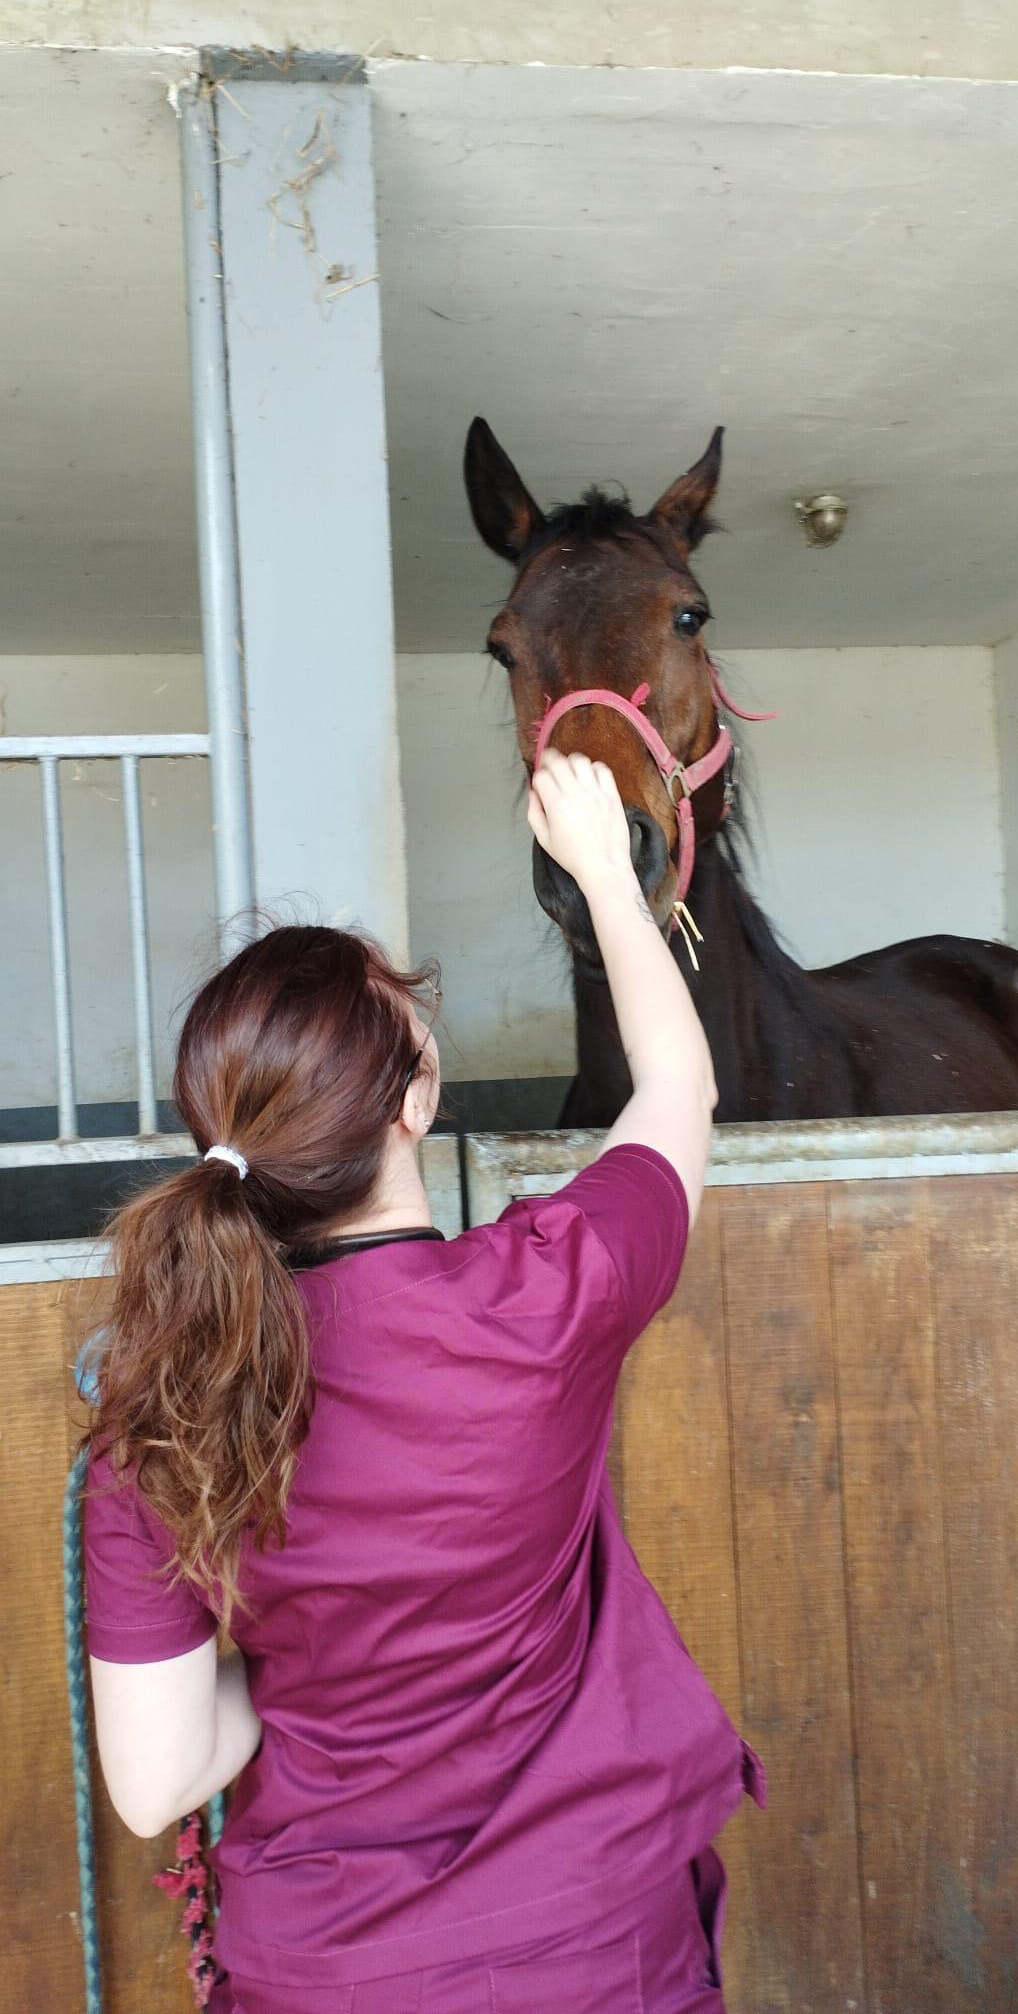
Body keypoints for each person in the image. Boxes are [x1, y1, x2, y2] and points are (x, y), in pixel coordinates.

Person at [84, 750, 765, 2014]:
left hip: (326, 1971)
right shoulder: (550, 1294)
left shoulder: (155, 1425)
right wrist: (608, 882)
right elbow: (679, 1086)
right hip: (593, 1955)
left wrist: (312, 1675)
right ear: (416, 1101)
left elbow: (154, 1780)